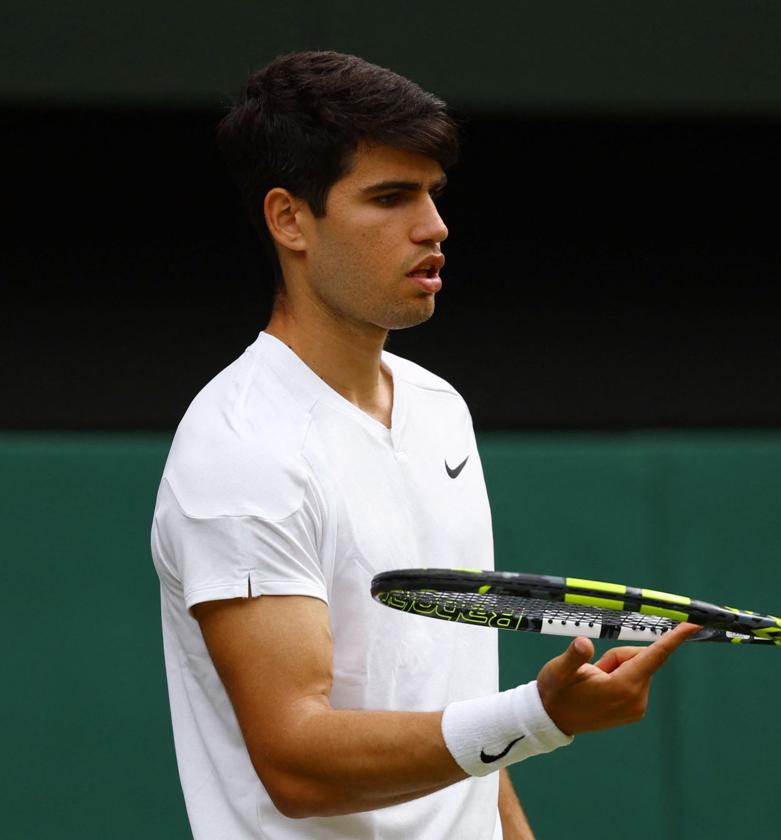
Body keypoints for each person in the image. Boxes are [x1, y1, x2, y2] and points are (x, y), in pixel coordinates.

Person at [150, 51, 697, 839]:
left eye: (433, 195)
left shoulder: (439, 410)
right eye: (390, 197)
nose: (433, 227)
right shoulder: (241, 452)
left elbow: (446, 704)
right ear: (290, 219)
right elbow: (296, 763)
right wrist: (539, 713)